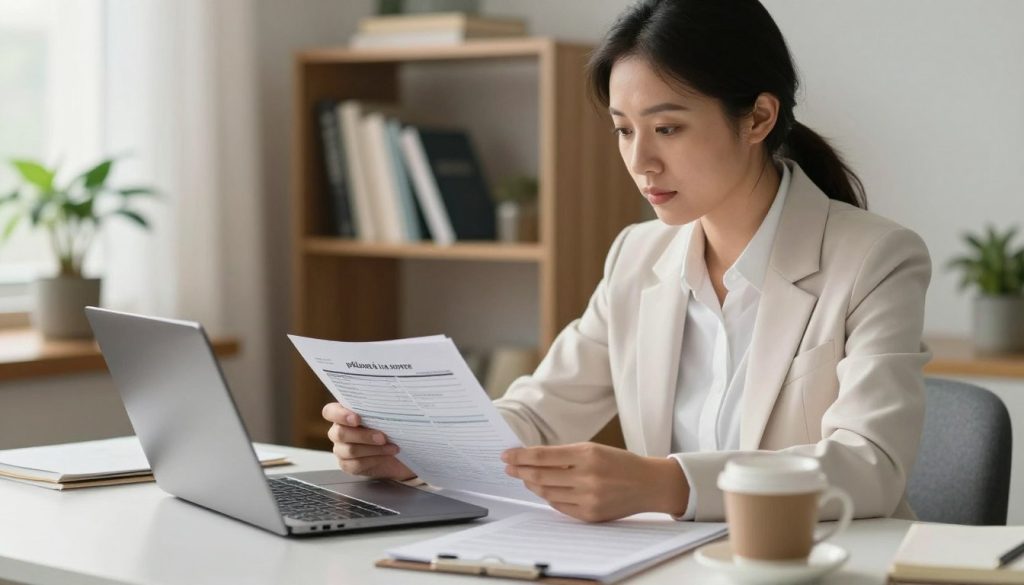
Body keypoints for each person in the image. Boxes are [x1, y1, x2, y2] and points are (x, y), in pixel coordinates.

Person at [321, 0, 930, 523]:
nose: (641, 162)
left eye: (666, 128)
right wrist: (414, 451)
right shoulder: (637, 256)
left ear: (758, 118)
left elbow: (869, 465)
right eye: (623, 130)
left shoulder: (875, 258)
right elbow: (539, 412)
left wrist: (668, 484)